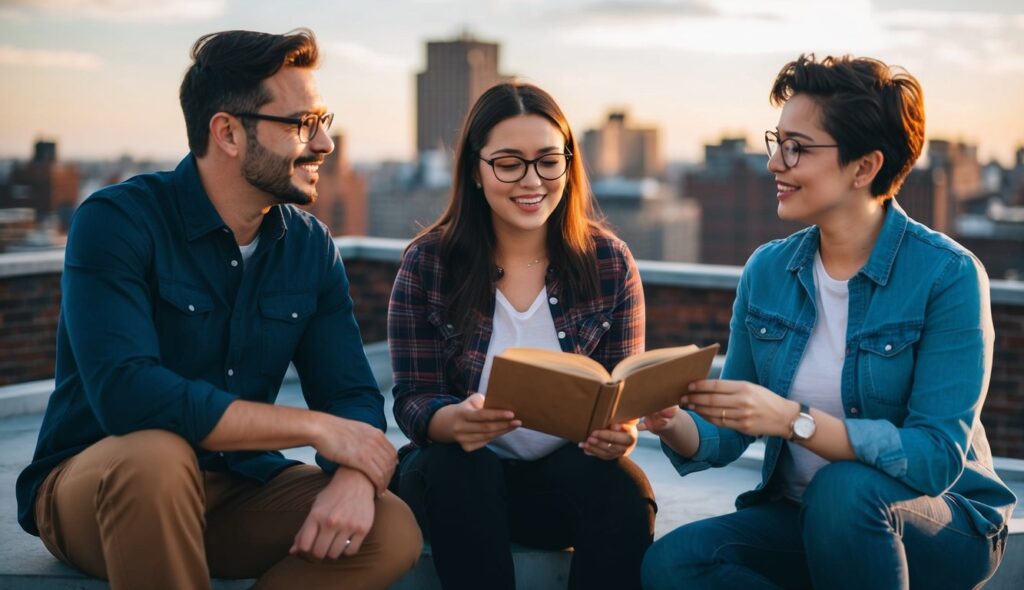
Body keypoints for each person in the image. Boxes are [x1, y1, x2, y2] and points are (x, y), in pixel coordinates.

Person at [15, 29, 421, 590]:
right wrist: (315, 428)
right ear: (227, 132)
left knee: (390, 527)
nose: (326, 142)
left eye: (325, 119)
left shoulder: (310, 248)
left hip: (235, 489)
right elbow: (128, 396)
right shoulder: (118, 221)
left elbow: (350, 393)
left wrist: (355, 474)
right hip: (101, 485)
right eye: (303, 123)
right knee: (157, 457)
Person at [640, 54, 1016, 589]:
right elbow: (724, 434)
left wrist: (793, 420)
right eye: (777, 141)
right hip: (800, 515)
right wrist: (668, 419)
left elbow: (935, 458)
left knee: (844, 490)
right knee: (674, 564)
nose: (775, 163)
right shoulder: (767, 270)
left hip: (940, 524)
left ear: (864, 168)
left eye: (796, 148)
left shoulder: (947, 276)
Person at [387, 81, 656, 590]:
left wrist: (623, 432)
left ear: (568, 165)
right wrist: (451, 421)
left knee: (625, 489)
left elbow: (623, 398)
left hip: (554, 488)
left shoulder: (609, 262)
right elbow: (413, 400)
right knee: (461, 468)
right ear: (475, 169)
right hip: (452, 485)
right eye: (509, 163)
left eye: (548, 160)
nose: (532, 180)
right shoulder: (428, 264)